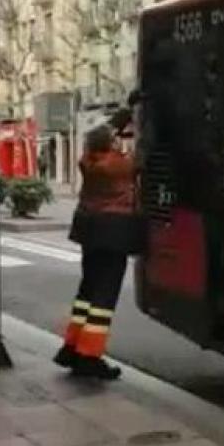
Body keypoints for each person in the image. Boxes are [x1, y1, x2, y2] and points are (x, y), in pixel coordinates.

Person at [53, 112, 142, 380]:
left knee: (88, 292)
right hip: (112, 232)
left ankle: (72, 347)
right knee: (104, 298)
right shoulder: (118, 165)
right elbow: (143, 159)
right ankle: (89, 356)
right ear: (111, 144)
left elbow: (101, 137)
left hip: (89, 231)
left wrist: (121, 117)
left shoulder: (87, 160)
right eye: (115, 140)